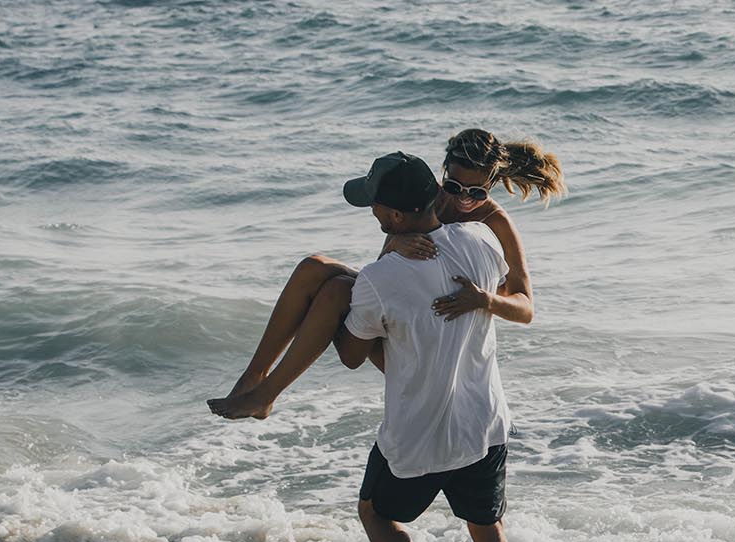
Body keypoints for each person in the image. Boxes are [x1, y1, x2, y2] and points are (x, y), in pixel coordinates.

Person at [327, 151, 529, 542]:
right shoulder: (484, 244)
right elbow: (516, 298)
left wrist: (340, 303)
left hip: (415, 438)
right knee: (490, 536)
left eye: (374, 206)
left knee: (374, 513)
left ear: (392, 216)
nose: (372, 212)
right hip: (480, 428)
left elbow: (351, 353)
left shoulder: (377, 277)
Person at [206, 129, 562, 419]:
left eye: (476, 193)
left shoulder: (496, 222)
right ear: (443, 175)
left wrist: (485, 299)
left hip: (435, 348)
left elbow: (526, 308)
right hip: (404, 317)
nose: (461, 201)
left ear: (492, 185)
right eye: (453, 187)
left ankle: (266, 395)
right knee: (312, 268)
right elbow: (383, 269)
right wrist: (396, 245)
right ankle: (255, 379)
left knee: (335, 291)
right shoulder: (427, 200)